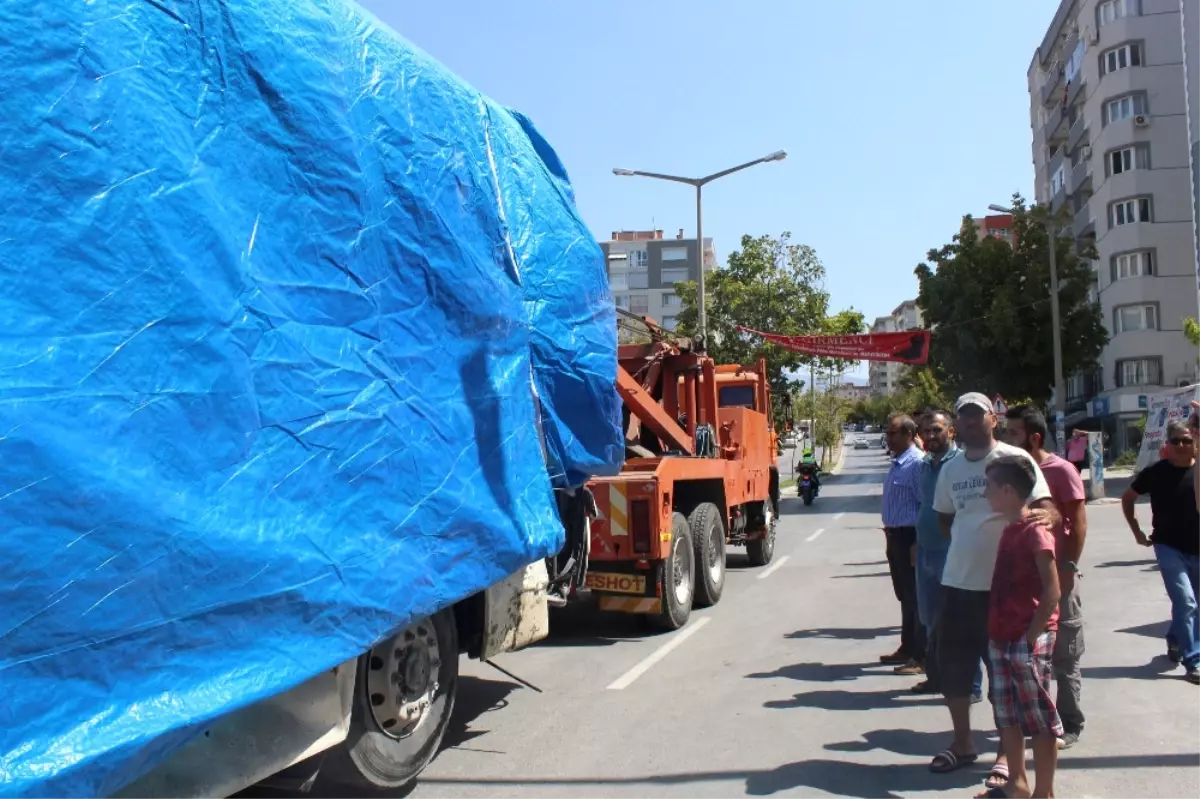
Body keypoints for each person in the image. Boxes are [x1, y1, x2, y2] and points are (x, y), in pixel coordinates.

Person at [928, 393, 1058, 787]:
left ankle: (1007, 757)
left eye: (975, 416)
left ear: (991, 419)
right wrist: (973, 543)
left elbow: (1048, 508)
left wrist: (1045, 519)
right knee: (953, 668)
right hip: (958, 584)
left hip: (1005, 593)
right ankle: (963, 743)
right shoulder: (949, 469)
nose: (968, 423)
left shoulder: (1014, 460)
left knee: (1007, 679)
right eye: (962, 417)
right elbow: (946, 521)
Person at [980, 455, 1063, 799]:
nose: (985, 494)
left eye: (990, 488)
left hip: (1027, 638)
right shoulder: (1010, 528)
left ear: (1008, 490)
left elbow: (1052, 590)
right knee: (1007, 714)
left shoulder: (1035, 531)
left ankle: (1044, 793)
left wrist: (1030, 637)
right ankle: (1018, 784)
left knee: (1039, 718)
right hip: (1001, 636)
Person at [1006, 406, 1088, 749]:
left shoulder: (1061, 470)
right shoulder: (1011, 471)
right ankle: (1036, 718)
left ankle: (1070, 723)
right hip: (1021, 580)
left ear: (1034, 437)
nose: (1006, 440)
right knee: (1025, 652)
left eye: (1013, 434)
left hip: (1056, 575)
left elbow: (1078, 522)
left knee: (1064, 654)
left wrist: (1068, 567)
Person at [911, 410, 983, 700]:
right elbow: (925, 506)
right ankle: (937, 678)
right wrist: (917, 543)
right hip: (926, 551)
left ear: (951, 432)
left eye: (937, 430)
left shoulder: (962, 463)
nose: (930, 436)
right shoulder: (926, 464)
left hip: (953, 553)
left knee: (960, 622)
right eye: (926, 431)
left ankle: (972, 686)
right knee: (930, 619)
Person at [1121, 420, 1200, 682]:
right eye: (1175, 440)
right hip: (1167, 546)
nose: (1180, 446)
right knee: (1186, 601)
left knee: (1193, 605)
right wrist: (1136, 531)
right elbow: (1128, 497)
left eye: (1186, 440)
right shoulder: (1156, 472)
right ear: (1167, 444)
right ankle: (1194, 659)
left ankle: (1174, 637)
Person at [880, 413, 926, 674]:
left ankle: (920, 655)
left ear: (909, 434)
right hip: (895, 536)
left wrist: (917, 542)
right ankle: (907, 647)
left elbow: (923, 504)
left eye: (893, 433)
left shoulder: (916, 464)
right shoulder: (898, 462)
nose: (888, 437)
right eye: (888, 432)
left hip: (910, 537)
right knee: (904, 596)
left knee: (915, 597)